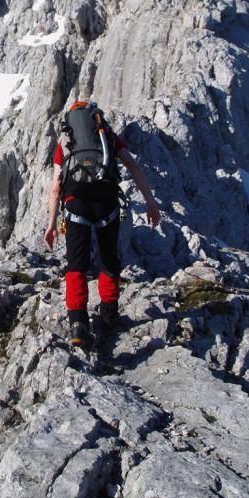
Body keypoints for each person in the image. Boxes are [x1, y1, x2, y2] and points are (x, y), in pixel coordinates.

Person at [43, 101, 161, 348]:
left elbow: (56, 188)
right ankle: (109, 316)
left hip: (76, 205)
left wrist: (52, 224)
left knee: (77, 262)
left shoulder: (64, 143)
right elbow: (134, 167)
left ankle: (78, 323)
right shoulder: (106, 136)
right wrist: (151, 203)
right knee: (109, 257)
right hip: (108, 205)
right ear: (95, 118)